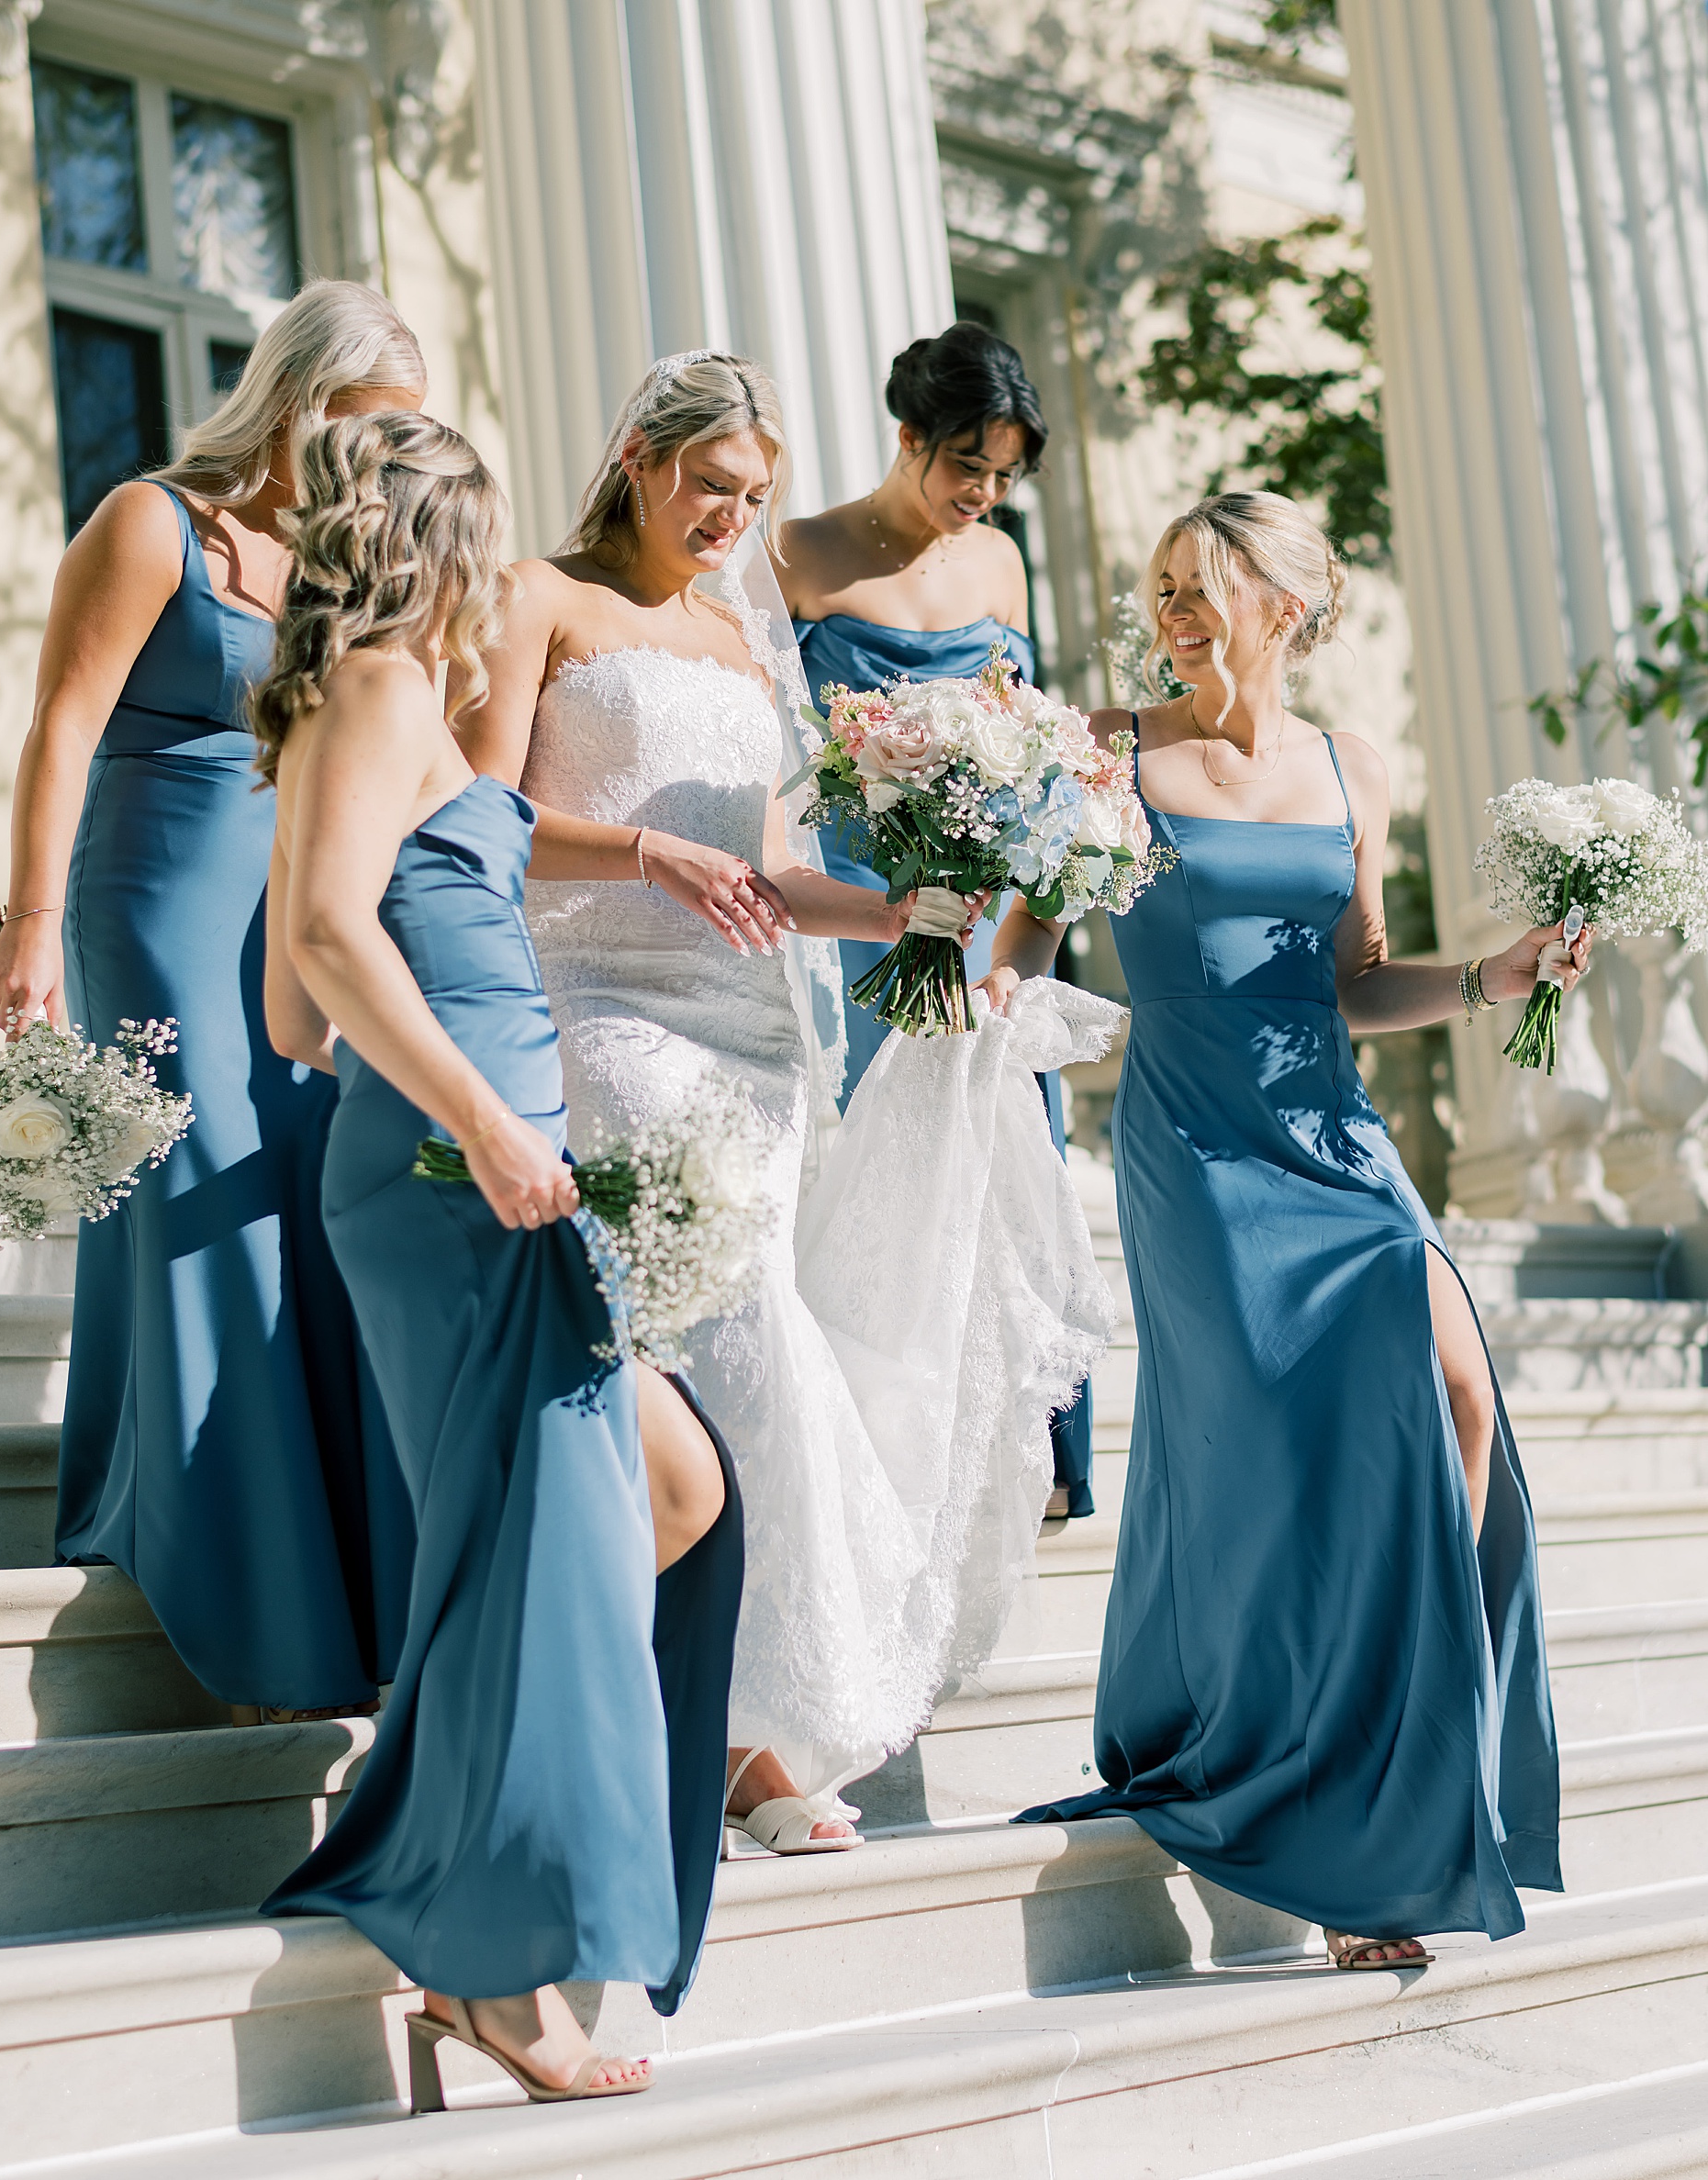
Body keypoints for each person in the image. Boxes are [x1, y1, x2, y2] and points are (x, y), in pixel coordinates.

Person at [458, 352, 1097, 1854]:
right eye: (709, 488)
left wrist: (906, 917)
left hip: (755, 1038)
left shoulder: (748, 648)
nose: (732, 520)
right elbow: (469, 816)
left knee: (728, 1352)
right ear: (636, 458)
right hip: (603, 1015)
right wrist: (640, 858)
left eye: (754, 499)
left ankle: (713, 1706)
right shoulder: (539, 601)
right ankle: (743, 1742)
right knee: (750, 1343)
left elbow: (762, 873)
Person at [995, 491, 1580, 1964]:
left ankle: (1394, 1772)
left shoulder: (1352, 764)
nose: (1178, 614)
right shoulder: (1106, 750)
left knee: (1453, 1394)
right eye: (1165, 590)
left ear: (1289, 602)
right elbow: (1023, 952)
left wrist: (1494, 979)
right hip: (1193, 1149)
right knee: (1268, 1457)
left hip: (1332, 1135)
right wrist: (991, 953)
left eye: (1206, 588)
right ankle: (1330, 1823)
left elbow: (1355, 983)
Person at [258, 408, 742, 2102]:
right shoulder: (383, 691)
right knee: (552, 1532)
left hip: (493, 1162)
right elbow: (315, 945)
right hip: (464, 1172)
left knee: (664, 1494)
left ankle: (472, 1869)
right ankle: (488, 1961)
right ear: (438, 542)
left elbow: (289, 1012)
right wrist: (473, 1113)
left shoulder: (370, 710)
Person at [0, 281, 423, 1719]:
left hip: (295, 907)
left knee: (294, 1190)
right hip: (154, 895)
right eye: (363, 433)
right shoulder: (148, 521)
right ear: (296, 401)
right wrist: (31, 924)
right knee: (194, 1186)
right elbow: (60, 723)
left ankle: (319, 1577)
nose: (377, 469)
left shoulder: (346, 566)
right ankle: (230, 1592)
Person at [780, 322, 1095, 1521]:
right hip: (877, 917)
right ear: (909, 435)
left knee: (1016, 1160)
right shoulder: (801, 554)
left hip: (991, 920)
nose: (985, 494)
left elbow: (1035, 740)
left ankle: (1030, 1456)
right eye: (969, 464)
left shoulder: (1002, 562)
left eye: (1005, 474)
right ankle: (899, 1451)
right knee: (900, 1164)